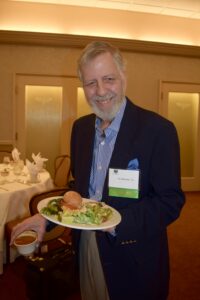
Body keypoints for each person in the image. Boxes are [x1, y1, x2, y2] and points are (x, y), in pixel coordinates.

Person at [11, 41, 185, 300]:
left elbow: (170, 201)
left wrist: (115, 222)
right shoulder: (80, 129)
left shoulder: (158, 131)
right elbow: (79, 191)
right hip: (86, 246)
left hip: (133, 255)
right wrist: (47, 218)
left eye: (108, 79)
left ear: (123, 77)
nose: (101, 91)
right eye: (91, 83)